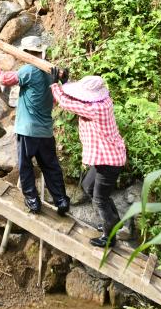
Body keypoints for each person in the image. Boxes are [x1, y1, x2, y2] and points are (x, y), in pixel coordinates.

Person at [0, 38, 70, 216]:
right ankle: (61, 199)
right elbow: (54, 99)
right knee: (51, 166)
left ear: (26, 53)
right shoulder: (51, 73)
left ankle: (32, 200)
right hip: (45, 132)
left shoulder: (28, 70)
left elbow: (4, 79)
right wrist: (64, 83)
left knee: (25, 166)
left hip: (27, 130)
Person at [50, 73, 127, 248]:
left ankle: (109, 237)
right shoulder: (101, 101)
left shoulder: (96, 108)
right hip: (105, 159)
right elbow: (79, 100)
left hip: (110, 162)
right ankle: (113, 223)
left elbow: (67, 103)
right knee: (89, 187)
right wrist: (66, 83)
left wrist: (55, 85)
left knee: (99, 199)